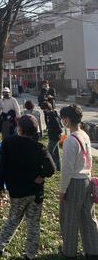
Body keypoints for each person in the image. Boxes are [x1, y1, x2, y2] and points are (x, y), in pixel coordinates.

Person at [0, 115, 56, 259]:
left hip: (16, 191)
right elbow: (52, 168)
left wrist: (0, 185)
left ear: (19, 128)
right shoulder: (39, 147)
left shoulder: (8, 143)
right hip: (35, 191)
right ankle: (31, 254)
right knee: (33, 223)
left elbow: (1, 166)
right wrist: (41, 176)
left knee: (13, 219)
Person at [59, 105, 98, 259]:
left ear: (67, 120)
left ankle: (69, 252)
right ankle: (93, 249)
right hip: (87, 180)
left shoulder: (70, 141)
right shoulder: (84, 135)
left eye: (63, 119)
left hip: (74, 182)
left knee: (69, 219)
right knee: (88, 217)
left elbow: (67, 170)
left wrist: (63, 190)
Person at [41, 101, 62, 171]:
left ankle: (51, 167)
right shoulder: (53, 114)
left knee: (49, 152)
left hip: (54, 137)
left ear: (47, 108)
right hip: (54, 136)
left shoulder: (52, 115)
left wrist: (58, 133)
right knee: (56, 153)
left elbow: (58, 126)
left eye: (43, 109)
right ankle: (58, 167)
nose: (43, 111)